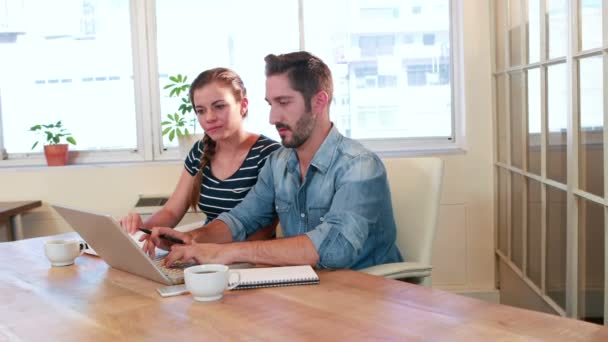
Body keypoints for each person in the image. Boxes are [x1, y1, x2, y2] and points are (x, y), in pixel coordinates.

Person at [143, 51, 403, 270]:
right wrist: (191, 239)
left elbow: (334, 249)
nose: (273, 117)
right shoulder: (278, 163)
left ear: (319, 102)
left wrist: (226, 252)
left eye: (284, 102)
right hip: (307, 290)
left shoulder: (359, 166)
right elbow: (240, 220)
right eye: (270, 104)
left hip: (364, 295)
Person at [120, 68, 280, 240]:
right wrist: (140, 230)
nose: (209, 118)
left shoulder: (270, 155)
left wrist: (200, 248)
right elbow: (171, 211)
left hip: (247, 259)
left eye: (219, 106)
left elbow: (265, 230)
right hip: (201, 254)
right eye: (201, 110)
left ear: (243, 105)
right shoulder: (199, 151)